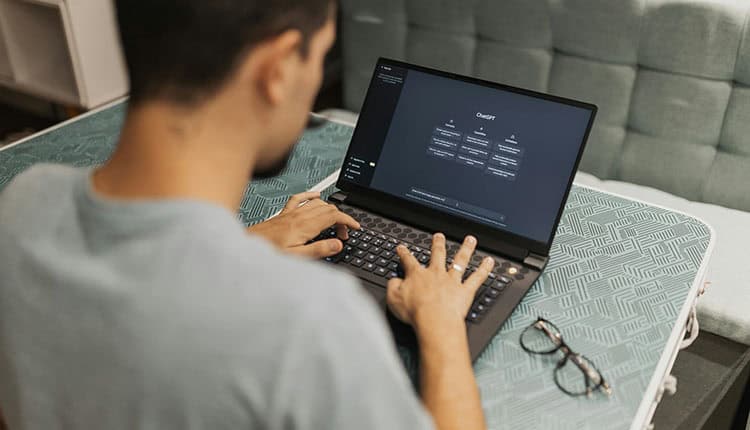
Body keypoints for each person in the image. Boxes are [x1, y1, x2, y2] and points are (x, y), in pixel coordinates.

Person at [0, 1, 495, 429]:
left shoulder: (21, 206)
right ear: (277, 68)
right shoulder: (309, 322)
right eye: (320, 55)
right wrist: (441, 325)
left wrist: (242, 248)